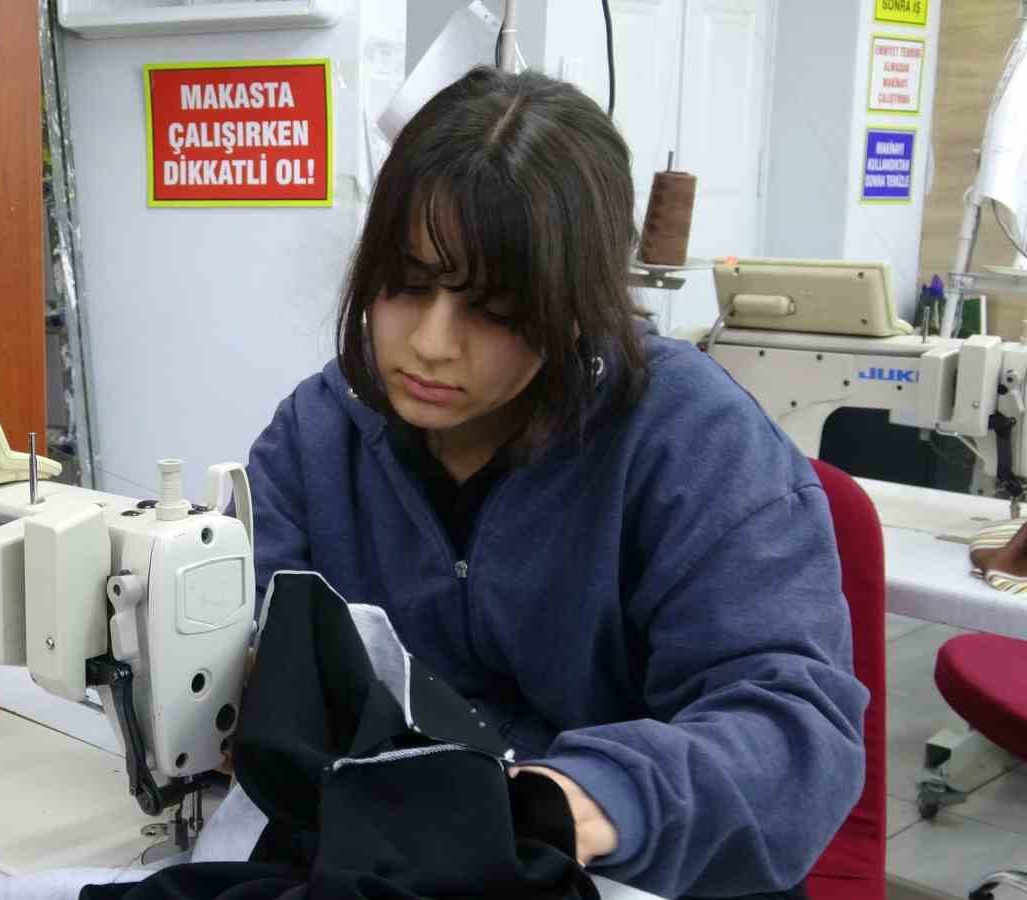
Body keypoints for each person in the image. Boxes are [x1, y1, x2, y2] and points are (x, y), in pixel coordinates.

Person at [243, 67, 868, 899]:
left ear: (577, 305)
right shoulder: (321, 435)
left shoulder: (693, 442)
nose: (430, 343)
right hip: (399, 859)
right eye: (408, 282)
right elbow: (246, 638)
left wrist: (581, 799)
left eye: (494, 308)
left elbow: (794, 731)